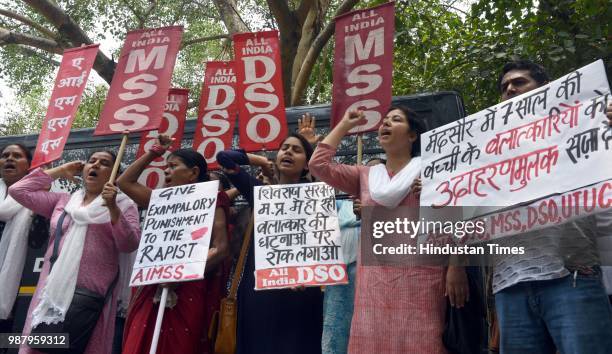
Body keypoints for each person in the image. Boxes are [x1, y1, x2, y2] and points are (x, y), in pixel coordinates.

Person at [309, 106, 469, 354]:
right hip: (373, 287)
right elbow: (318, 165)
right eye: (384, 121)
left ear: (412, 136)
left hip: (421, 281)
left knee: (423, 344)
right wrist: (344, 124)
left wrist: (456, 266)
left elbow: (456, 218)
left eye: (395, 120)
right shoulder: (365, 175)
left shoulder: (434, 171)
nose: (385, 124)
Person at [491, 60, 612, 354]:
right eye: (504, 87)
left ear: (545, 90)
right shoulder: (486, 148)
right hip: (510, 283)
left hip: (571, 275)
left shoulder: (581, 127)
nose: (509, 89)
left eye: (519, 82)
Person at [8, 150, 141, 354]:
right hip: (51, 293)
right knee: (40, 348)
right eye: (91, 161)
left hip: (89, 298)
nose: (95, 165)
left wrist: (113, 207)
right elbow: (18, 190)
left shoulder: (124, 205)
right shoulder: (63, 201)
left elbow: (129, 244)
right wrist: (61, 170)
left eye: (104, 163)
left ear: (114, 174)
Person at [118, 136, 230, 354]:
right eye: (165, 167)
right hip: (151, 286)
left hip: (187, 288)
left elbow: (221, 247)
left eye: (173, 166)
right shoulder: (159, 199)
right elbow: (124, 182)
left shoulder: (213, 199)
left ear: (194, 173)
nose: (166, 172)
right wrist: (154, 152)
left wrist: (182, 273)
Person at [216, 132, 324, 354]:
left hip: (301, 290)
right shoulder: (260, 192)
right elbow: (225, 157)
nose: (288, 152)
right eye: (285, 148)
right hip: (260, 290)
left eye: (297, 150)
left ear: (307, 165)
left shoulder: (316, 197)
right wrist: (262, 160)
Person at [321, 157, 384, 354]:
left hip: (376, 278)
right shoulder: (342, 204)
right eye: (367, 172)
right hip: (341, 278)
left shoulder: (394, 202)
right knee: (337, 326)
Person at [0, 144, 49, 333]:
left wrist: (41, 195)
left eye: (17, 156)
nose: (9, 159)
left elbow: (39, 240)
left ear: (29, 166)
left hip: (20, 285)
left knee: (8, 340)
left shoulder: (36, 198)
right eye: (5, 155)